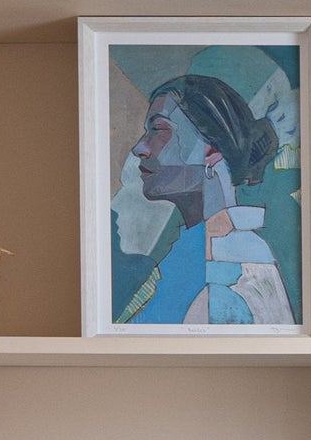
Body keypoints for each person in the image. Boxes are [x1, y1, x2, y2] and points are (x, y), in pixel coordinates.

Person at [113, 72, 294, 325]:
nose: (140, 148)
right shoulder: (194, 251)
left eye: (158, 129)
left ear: (211, 150)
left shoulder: (230, 270)